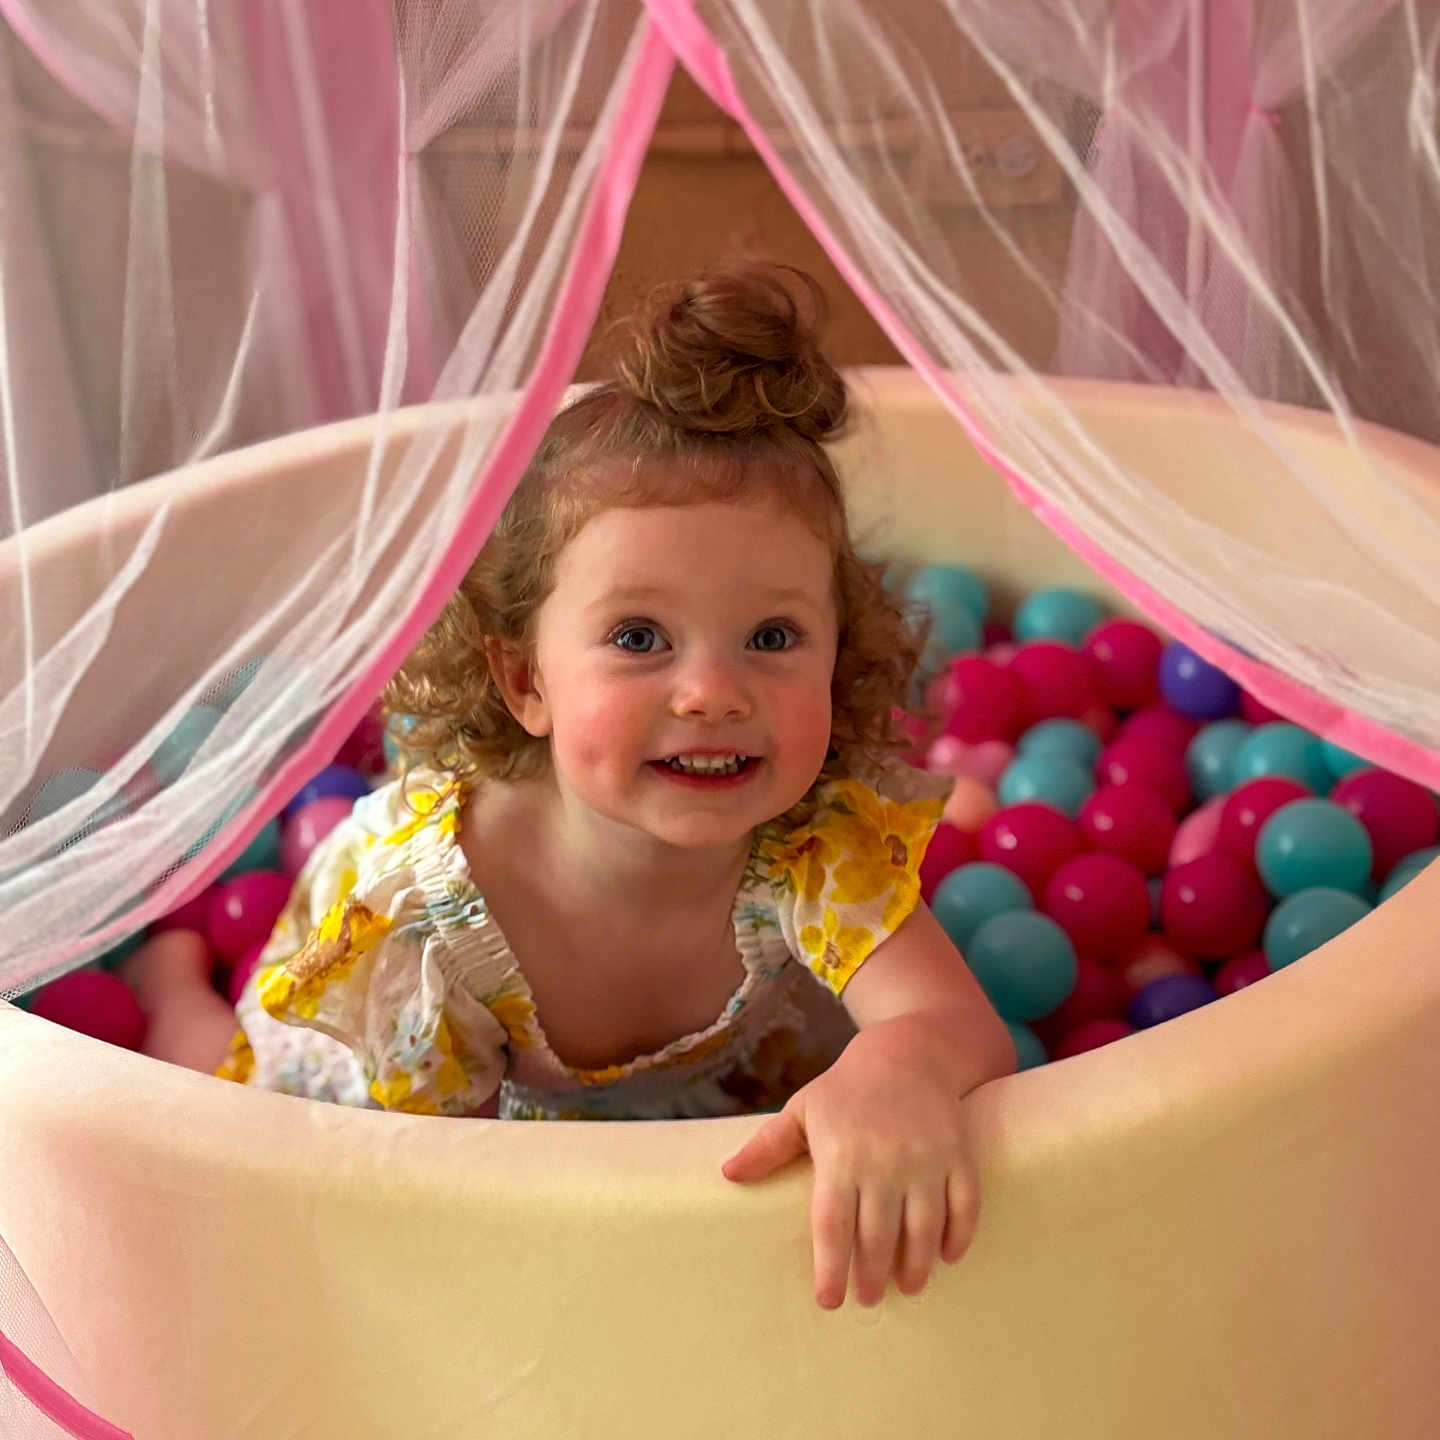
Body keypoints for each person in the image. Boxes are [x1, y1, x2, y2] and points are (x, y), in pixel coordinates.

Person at [124, 264, 1015, 1308]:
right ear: (525, 679)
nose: (713, 692)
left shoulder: (816, 841)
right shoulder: (429, 929)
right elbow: (427, 1205)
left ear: (839, 655)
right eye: (639, 638)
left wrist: (897, 1070)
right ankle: (167, 984)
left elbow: (959, 1028)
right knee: (213, 1086)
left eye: (773, 637)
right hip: (402, 1112)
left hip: (687, 1099)